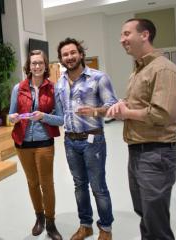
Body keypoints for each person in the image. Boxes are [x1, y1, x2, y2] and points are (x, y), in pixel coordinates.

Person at [107, 18, 176, 240]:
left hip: (156, 153)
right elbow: (140, 104)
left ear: (145, 35)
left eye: (126, 34)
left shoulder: (164, 70)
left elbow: (161, 114)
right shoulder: (139, 70)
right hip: (138, 151)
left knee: (156, 222)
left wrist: (126, 113)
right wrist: (123, 104)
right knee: (145, 214)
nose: (122, 40)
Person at [55, 38, 117, 240]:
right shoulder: (61, 82)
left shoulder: (99, 77)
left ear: (81, 54)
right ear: (61, 59)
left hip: (93, 141)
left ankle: (106, 228)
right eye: (65, 54)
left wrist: (96, 111)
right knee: (79, 185)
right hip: (70, 141)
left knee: (98, 187)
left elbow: (113, 108)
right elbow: (60, 113)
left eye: (73, 53)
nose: (69, 57)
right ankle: (85, 225)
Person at [9, 50, 64, 240]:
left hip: (44, 143)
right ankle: (39, 217)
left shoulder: (53, 88)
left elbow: (61, 119)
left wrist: (44, 116)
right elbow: (10, 116)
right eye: (34, 63)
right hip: (22, 143)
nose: (37, 66)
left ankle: (50, 221)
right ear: (29, 66)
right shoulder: (19, 88)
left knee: (47, 184)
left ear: (45, 65)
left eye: (40, 63)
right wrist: (13, 118)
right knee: (32, 183)